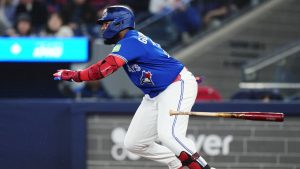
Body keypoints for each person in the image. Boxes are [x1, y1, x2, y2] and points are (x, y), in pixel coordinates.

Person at [53, 5, 215, 169]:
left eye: (106, 23)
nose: (102, 27)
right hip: (158, 92)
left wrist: (75, 75)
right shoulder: (131, 40)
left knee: (169, 136)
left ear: (119, 23)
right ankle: (175, 162)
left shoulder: (131, 41)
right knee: (134, 143)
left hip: (174, 85)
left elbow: (103, 70)